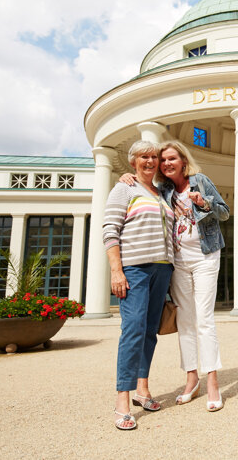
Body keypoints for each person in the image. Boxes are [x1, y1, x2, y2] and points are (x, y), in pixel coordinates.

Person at [124, 140, 230, 412]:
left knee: (204, 320)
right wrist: (129, 177)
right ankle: (191, 379)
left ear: (183, 160)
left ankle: (212, 383)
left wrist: (203, 203)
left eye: (172, 158)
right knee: (185, 321)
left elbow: (224, 212)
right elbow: (142, 190)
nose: (167, 163)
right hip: (178, 261)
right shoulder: (163, 190)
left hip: (206, 256)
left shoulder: (200, 181)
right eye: (163, 160)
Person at [103, 140, 174, 431]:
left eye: (154, 156)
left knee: (149, 332)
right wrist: (116, 271)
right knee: (132, 329)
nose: (150, 161)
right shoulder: (124, 188)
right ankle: (123, 398)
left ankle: (142, 390)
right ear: (133, 161)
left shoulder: (162, 193)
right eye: (144, 156)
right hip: (134, 268)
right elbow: (110, 229)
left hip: (162, 269)